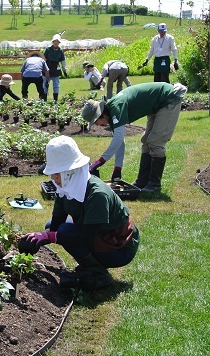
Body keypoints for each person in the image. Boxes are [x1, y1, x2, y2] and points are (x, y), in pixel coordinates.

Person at [19, 136, 140, 291]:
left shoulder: (97, 194)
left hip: (120, 248)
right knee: (53, 227)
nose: (53, 178)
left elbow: (86, 236)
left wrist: (50, 236)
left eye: (57, 173)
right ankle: (90, 266)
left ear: (71, 171)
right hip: (98, 235)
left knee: (65, 232)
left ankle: (98, 274)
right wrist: (37, 238)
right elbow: (56, 222)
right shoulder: (65, 188)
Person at [81, 82, 187, 192]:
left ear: (100, 114)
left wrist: (100, 161)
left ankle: (154, 185)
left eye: (95, 121)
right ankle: (142, 182)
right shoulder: (111, 114)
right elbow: (120, 141)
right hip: (156, 105)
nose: (97, 125)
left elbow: (118, 138)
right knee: (146, 141)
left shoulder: (116, 106)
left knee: (155, 142)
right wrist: (118, 169)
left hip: (168, 99)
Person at [43, 34, 68, 102]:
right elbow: (44, 59)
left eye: (57, 41)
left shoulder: (60, 50)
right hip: (48, 68)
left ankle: (55, 100)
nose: (56, 43)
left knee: (56, 85)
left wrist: (64, 70)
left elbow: (63, 61)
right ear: (53, 42)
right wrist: (43, 68)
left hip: (56, 68)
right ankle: (44, 100)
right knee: (45, 84)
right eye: (55, 41)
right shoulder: (48, 49)